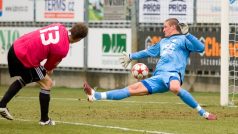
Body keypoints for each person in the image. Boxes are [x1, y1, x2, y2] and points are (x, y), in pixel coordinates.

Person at [83, 18, 217, 120]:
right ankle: (96, 95)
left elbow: (201, 48)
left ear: (173, 27)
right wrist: (131, 56)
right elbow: (148, 52)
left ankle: (203, 113)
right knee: (131, 89)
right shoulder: (163, 42)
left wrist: (188, 34)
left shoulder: (183, 39)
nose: (163, 30)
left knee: (175, 87)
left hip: (173, 73)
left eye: (165, 27)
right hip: (158, 76)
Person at [0, 23, 88, 125]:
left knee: (27, 78)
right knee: (47, 83)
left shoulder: (59, 26)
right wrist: (50, 68)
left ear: (72, 29)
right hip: (24, 57)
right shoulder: (63, 49)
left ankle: (2, 105)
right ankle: (44, 120)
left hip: (16, 47)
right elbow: (47, 69)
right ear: (79, 39)